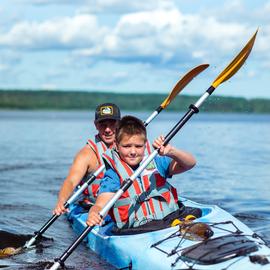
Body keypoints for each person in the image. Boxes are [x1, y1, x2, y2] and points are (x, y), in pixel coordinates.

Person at [86, 115, 196, 230]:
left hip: (171, 222)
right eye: (127, 146)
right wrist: (94, 213)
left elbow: (190, 163)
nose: (133, 151)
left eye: (138, 146)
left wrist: (172, 151)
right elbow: (100, 204)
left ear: (145, 145)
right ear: (117, 146)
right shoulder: (114, 174)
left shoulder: (156, 163)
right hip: (138, 231)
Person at [53, 103, 121, 216]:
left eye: (112, 123)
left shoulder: (131, 147)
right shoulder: (86, 154)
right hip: (93, 207)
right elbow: (71, 181)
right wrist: (61, 201)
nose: (108, 129)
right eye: (102, 124)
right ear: (96, 125)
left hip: (121, 204)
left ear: (120, 123)